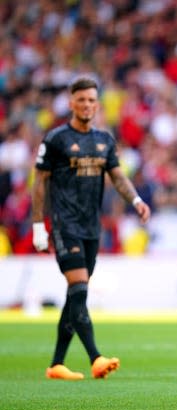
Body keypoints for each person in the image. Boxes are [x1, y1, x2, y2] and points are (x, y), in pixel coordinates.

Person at [31, 77, 151, 380]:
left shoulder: (104, 140)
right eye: (81, 100)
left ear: (97, 104)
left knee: (76, 294)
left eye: (91, 100)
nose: (86, 105)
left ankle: (56, 364)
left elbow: (118, 177)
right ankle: (96, 357)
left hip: (91, 228)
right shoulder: (56, 139)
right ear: (71, 103)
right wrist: (37, 226)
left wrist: (135, 200)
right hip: (64, 225)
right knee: (80, 288)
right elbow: (39, 183)